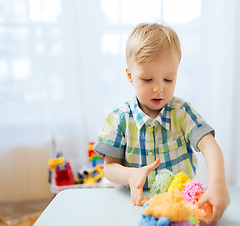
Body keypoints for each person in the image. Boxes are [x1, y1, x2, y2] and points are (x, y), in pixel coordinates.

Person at [93, 22, 230, 225]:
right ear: (130, 76)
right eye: (148, 80)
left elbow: (209, 145)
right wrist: (130, 175)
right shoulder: (119, 119)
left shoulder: (182, 112)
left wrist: (218, 183)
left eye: (168, 79)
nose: (159, 89)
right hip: (136, 206)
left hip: (179, 206)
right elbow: (110, 168)